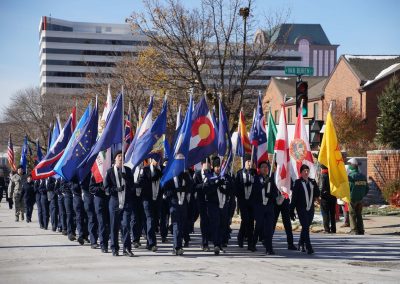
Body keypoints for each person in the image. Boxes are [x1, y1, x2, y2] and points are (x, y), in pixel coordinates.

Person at [104, 150, 135, 257]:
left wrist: (126, 178)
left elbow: (132, 186)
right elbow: (106, 189)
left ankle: (127, 248)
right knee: (114, 226)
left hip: (126, 202)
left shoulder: (128, 170)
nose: (121, 158)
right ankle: (114, 248)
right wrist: (116, 189)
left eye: (122, 156)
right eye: (119, 156)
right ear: (115, 159)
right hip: (114, 202)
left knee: (126, 225)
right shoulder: (109, 172)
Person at [290, 164, 320, 254]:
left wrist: (315, 185)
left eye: (307, 170)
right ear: (301, 172)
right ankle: (308, 246)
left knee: (306, 226)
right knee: (306, 226)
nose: (306, 172)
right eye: (304, 171)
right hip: (301, 208)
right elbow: (294, 197)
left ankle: (300, 243)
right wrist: (291, 210)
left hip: (310, 208)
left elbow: (317, 194)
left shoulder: (312, 181)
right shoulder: (298, 182)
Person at [163, 170, 193, 256]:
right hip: (174, 202)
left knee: (181, 224)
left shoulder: (185, 175)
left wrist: (185, 187)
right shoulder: (169, 175)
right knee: (176, 224)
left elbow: (191, 186)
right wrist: (175, 191)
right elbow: (166, 190)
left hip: (183, 202)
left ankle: (175, 246)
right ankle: (177, 247)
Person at [253, 161, 278, 255]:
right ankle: (253, 243)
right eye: (263, 167)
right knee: (258, 227)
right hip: (259, 207)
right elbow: (254, 191)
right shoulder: (256, 178)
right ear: (259, 169)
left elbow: (275, 193)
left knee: (269, 228)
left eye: (266, 167)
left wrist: (270, 195)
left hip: (269, 207)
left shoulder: (271, 179)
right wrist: (264, 184)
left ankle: (269, 248)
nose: (265, 168)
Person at [235, 155, 256, 251]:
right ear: (244, 162)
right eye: (248, 161)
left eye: (251, 161)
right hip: (243, 201)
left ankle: (246, 240)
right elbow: (236, 188)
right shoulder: (239, 173)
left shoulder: (254, 174)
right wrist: (244, 185)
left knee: (250, 222)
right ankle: (245, 239)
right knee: (246, 219)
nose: (249, 163)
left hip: (252, 201)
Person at [192, 158, 212, 251]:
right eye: (205, 163)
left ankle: (208, 240)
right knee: (203, 220)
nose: (207, 165)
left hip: (210, 201)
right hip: (200, 201)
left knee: (209, 221)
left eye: (208, 163)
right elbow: (193, 187)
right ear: (202, 164)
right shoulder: (197, 174)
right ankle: (204, 243)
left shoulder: (211, 174)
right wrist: (202, 185)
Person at [347, 158, 369, 235]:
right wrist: (362, 195)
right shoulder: (363, 176)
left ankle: (353, 230)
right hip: (360, 198)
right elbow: (367, 188)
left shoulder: (350, 177)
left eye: (349, 164)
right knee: (359, 214)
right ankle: (361, 230)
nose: (348, 166)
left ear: (352, 166)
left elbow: (348, 188)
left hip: (352, 198)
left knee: (352, 214)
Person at [319, 165, 337, 233]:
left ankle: (327, 229)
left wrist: (319, 196)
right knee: (332, 214)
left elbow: (322, 187)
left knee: (325, 213)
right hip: (333, 196)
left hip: (325, 198)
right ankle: (333, 229)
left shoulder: (323, 176)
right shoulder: (333, 176)